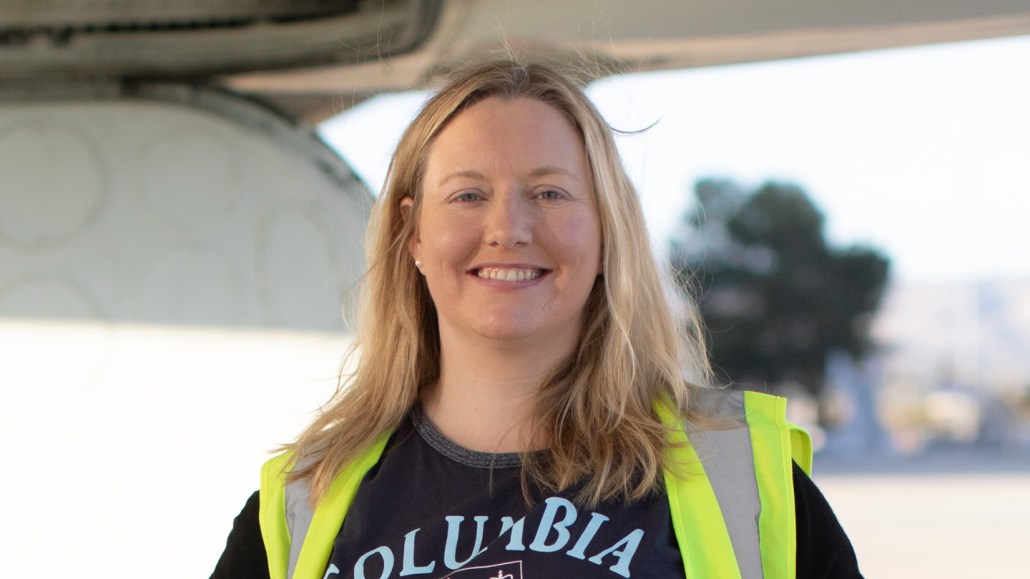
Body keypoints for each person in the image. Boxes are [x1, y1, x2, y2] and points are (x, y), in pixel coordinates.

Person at [212, 58, 862, 579]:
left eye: (549, 193)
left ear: (607, 230)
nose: (508, 229)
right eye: (468, 195)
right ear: (412, 235)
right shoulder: (303, 504)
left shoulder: (741, 481)